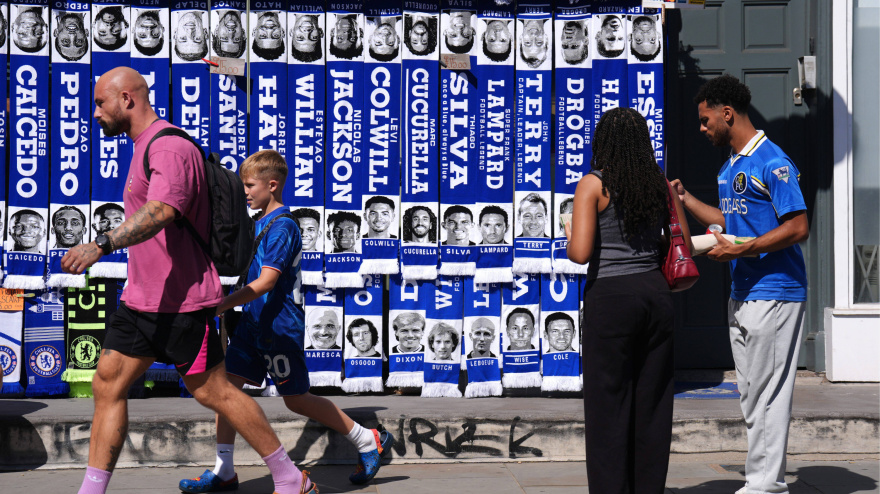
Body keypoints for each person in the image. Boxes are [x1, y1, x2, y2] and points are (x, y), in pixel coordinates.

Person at [61, 67, 314, 494]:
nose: (95, 113)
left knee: (216, 392)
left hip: (181, 302)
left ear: (127, 99)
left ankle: (291, 478)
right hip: (142, 300)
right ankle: (91, 490)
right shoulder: (145, 145)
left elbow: (163, 210)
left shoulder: (170, 147)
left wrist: (100, 245)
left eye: (101, 103)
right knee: (108, 382)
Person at [178, 149, 393, 492]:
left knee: (296, 398)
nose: (244, 192)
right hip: (252, 324)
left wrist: (220, 305)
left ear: (272, 185)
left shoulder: (283, 227)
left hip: (278, 327)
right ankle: (224, 470)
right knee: (226, 393)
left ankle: (368, 440)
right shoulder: (259, 221)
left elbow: (265, 282)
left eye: (249, 185)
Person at [672, 74, 809, 494]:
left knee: (769, 391)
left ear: (726, 113)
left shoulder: (772, 160)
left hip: (777, 290)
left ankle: (765, 485)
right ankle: (760, 478)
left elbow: (799, 226)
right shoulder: (731, 165)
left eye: (705, 118)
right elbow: (732, 223)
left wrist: (742, 251)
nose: (702, 127)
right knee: (751, 392)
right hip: (743, 293)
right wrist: (685, 200)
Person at [565, 106, 692, 493]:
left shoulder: (593, 185)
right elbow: (682, 243)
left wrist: (570, 231)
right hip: (655, 296)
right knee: (652, 405)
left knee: (608, 407)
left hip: (612, 299)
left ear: (601, 143)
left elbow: (581, 253)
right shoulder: (657, 184)